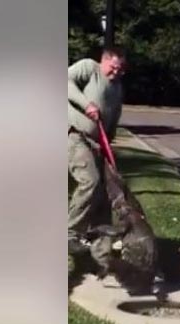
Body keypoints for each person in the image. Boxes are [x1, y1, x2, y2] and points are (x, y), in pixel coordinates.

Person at [68, 47, 126, 274]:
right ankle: (70, 233)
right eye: (113, 67)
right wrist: (86, 104)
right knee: (89, 181)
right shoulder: (88, 69)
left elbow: (114, 116)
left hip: (97, 143)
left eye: (121, 69)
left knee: (104, 193)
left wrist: (108, 147)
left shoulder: (117, 87)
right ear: (103, 61)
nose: (116, 72)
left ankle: (100, 257)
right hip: (74, 135)